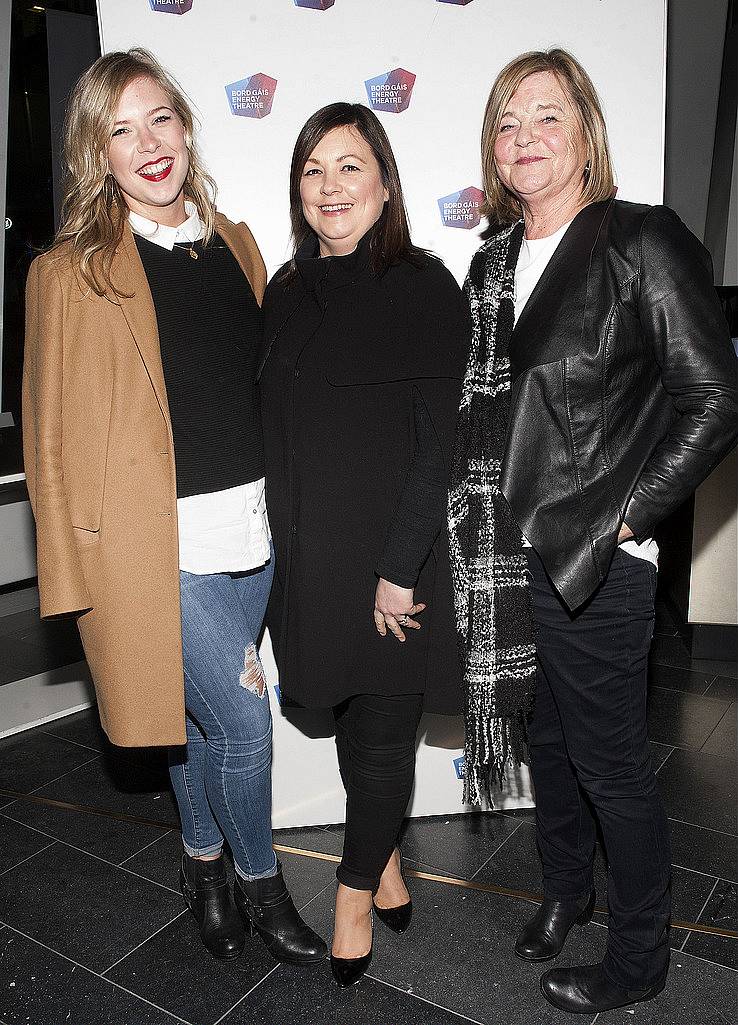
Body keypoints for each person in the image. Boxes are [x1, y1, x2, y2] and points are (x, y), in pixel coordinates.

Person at [448, 48, 737, 1016]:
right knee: (553, 744)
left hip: (597, 561)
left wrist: (628, 517)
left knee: (612, 763)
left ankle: (641, 953)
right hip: (507, 550)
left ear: (586, 132)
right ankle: (566, 890)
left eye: (546, 115)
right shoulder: (490, 261)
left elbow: (713, 395)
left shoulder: (639, 240)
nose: (524, 136)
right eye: (506, 121)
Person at [23, 48, 325, 967]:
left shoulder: (236, 242)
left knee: (187, 716)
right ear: (97, 156)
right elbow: (45, 437)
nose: (147, 144)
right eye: (120, 130)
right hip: (155, 552)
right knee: (240, 720)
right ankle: (260, 882)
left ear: (186, 127)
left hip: (254, 533)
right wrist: (73, 581)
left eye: (159, 119)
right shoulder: (68, 272)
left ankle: (199, 862)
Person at [259, 102, 468, 986]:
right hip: (309, 561)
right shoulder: (283, 289)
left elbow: (441, 444)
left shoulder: (422, 285)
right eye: (314, 170)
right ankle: (382, 859)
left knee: (383, 735)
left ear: (384, 184)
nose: (330, 186)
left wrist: (397, 568)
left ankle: (351, 892)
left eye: (350, 167)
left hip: (394, 561)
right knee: (346, 717)